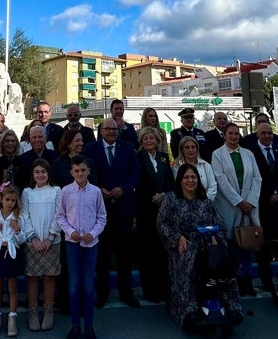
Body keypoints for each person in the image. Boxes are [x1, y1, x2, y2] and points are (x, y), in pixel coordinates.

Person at [157, 163, 241, 327]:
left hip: (207, 242)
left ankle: (233, 307)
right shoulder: (170, 199)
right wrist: (177, 237)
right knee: (190, 260)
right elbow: (162, 224)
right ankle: (189, 310)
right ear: (180, 180)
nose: (190, 181)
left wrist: (217, 238)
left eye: (193, 177)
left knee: (225, 263)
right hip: (183, 243)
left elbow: (220, 224)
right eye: (186, 177)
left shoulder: (206, 202)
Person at [85, 119, 140, 308]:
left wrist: (124, 189)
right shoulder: (91, 148)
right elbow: (86, 173)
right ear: (100, 131)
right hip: (100, 208)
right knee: (103, 255)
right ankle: (102, 294)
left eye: (114, 129)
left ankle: (126, 293)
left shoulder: (128, 147)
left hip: (123, 206)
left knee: (124, 253)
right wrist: (97, 188)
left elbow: (135, 174)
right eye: (107, 129)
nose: (111, 132)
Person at [57, 156, 107, 339]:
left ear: (88, 171)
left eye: (83, 170)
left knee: (88, 285)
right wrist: (71, 232)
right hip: (72, 244)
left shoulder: (95, 192)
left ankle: (89, 326)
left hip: (90, 245)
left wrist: (93, 234)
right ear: (71, 172)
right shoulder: (66, 192)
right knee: (74, 284)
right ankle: (75, 325)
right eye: (76, 170)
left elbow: (102, 217)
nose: (80, 173)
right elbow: (60, 216)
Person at [210, 121, 260, 296]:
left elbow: (257, 178)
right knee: (232, 244)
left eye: (236, 134)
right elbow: (220, 180)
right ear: (224, 135)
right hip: (230, 205)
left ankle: (247, 280)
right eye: (230, 134)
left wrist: (250, 201)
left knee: (246, 244)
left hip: (249, 206)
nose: (233, 137)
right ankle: (234, 280)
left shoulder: (248, 154)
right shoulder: (217, 154)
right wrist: (239, 201)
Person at [134, 126, 175, 303]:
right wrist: (151, 196)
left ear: (157, 140)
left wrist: (164, 195)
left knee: (162, 251)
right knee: (147, 252)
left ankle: (164, 289)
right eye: (146, 139)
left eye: (152, 138)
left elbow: (171, 183)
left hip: (164, 210)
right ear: (142, 142)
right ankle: (150, 291)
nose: (149, 141)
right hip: (146, 210)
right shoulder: (137, 158)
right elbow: (138, 182)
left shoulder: (165, 158)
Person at [21, 158, 61, 332]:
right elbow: (24, 216)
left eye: (43, 172)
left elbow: (60, 214)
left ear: (48, 173)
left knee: (49, 276)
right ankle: (33, 311)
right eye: (37, 172)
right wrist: (34, 239)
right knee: (32, 277)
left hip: (52, 241)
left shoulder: (57, 191)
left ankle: (48, 310)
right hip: (33, 243)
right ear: (33, 174)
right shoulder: (27, 192)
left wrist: (50, 237)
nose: (40, 175)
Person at [249, 120, 278, 292]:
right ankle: (267, 281)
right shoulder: (251, 152)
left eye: (270, 133)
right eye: (263, 133)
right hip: (262, 204)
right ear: (257, 134)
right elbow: (253, 178)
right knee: (263, 246)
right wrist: (268, 196)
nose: (267, 136)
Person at [0, 184, 25, 337]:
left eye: (13, 201)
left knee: (12, 287)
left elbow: (22, 240)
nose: (10, 203)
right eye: (7, 200)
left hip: (12, 253)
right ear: (1, 199)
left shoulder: (18, 217)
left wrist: (17, 229)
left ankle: (12, 318)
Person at [14, 125, 59, 191]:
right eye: (34, 137)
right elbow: (20, 183)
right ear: (30, 139)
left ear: (45, 138)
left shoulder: (55, 157)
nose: (37, 140)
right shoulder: (22, 159)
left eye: (40, 137)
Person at [173, 136, 216, 201]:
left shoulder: (206, 165)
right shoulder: (177, 166)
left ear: (197, 149)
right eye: (187, 147)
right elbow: (178, 187)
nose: (191, 150)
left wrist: (204, 201)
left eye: (193, 147)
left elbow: (212, 186)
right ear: (182, 150)